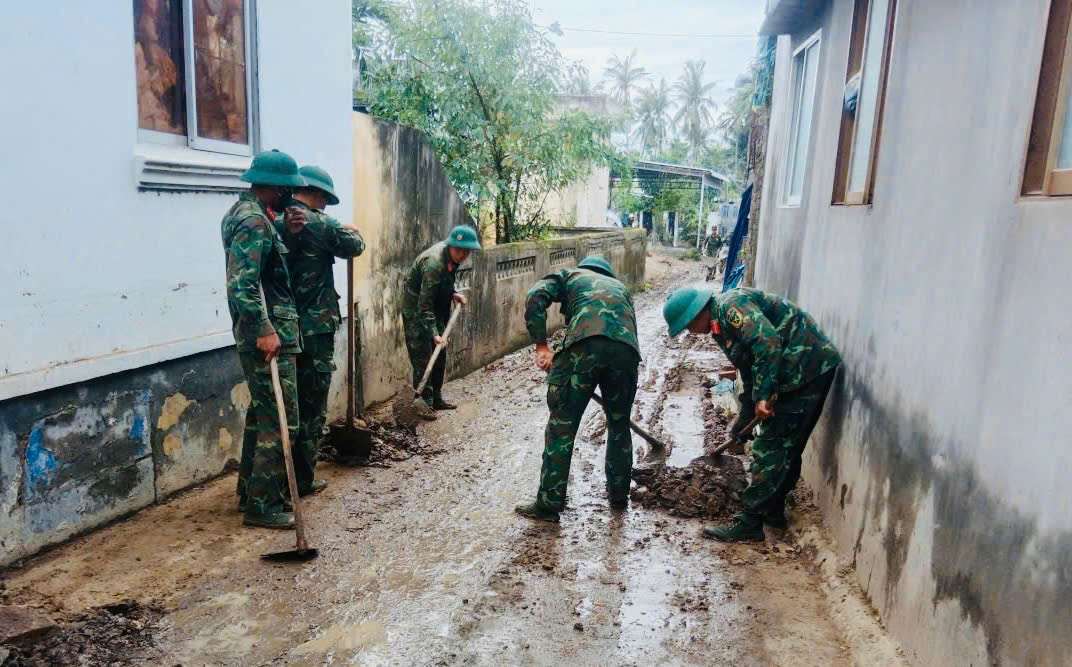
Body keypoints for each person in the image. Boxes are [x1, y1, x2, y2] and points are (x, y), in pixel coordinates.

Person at [662, 286, 842, 542]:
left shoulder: (731, 308)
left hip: (807, 368)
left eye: (688, 325)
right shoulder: (719, 327)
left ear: (697, 313)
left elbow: (767, 344)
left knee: (771, 446)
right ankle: (772, 511)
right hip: (795, 373)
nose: (690, 331)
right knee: (786, 445)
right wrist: (745, 415)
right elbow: (747, 369)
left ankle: (749, 522)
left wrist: (764, 395)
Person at [515, 256, 641, 523]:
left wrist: (541, 346)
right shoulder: (621, 290)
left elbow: (535, 295)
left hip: (582, 346)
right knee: (619, 425)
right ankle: (619, 497)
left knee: (562, 425)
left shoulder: (570, 276)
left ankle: (549, 505)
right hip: (626, 352)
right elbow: (625, 332)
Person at [221, 149, 307, 529]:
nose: (292, 194)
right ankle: (263, 505)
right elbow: (243, 284)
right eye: (288, 188)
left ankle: (250, 492)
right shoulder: (253, 222)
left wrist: (287, 232)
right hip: (267, 336)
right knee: (283, 420)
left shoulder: (253, 217)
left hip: (265, 331)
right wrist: (265, 329)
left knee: (262, 415)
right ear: (273, 187)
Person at [275, 165, 365, 495]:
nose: (325, 205)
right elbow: (355, 247)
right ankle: (303, 479)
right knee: (311, 407)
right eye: (325, 199)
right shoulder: (320, 223)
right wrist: (350, 230)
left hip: (281, 329)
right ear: (315, 194)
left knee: (283, 407)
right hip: (314, 330)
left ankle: (268, 486)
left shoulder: (274, 221)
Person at [401, 226, 481, 417]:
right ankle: (423, 404)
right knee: (424, 357)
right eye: (460, 250)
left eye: (467, 251)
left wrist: (453, 293)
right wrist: (434, 333)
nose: (463, 255)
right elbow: (424, 305)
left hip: (436, 308)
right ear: (451, 245)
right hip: (416, 312)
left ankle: (436, 398)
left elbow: (443, 282)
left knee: (440, 354)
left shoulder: (451, 258)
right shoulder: (434, 264)